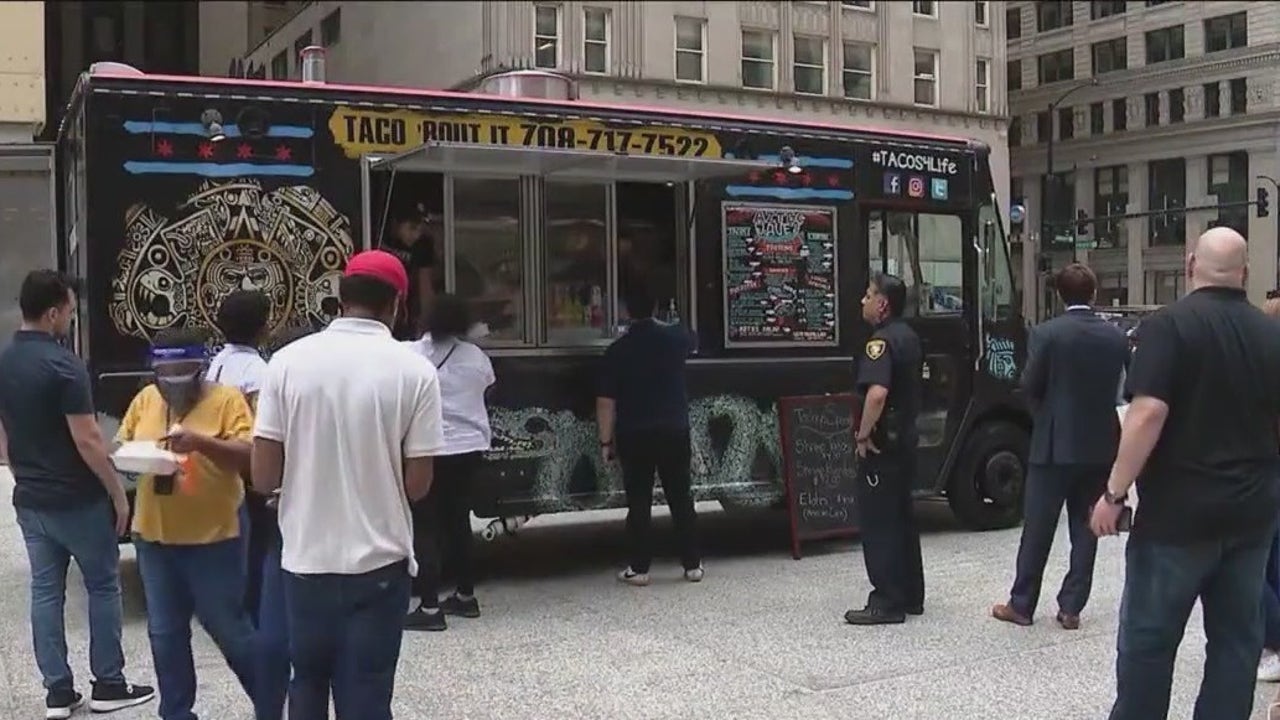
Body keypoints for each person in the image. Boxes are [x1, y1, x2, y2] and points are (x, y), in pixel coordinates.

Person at [1091, 227, 1280, 720]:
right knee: (1237, 642)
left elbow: (1147, 413)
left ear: (1191, 263)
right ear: (1244, 271)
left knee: (1149, 643)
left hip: (1177, 516)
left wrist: (1114, 493)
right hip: (1252, 514)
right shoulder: (1271, 333)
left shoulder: (1168, 326)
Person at [251, 250, 444, 720]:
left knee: (308, 684)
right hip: (379, 565)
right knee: (367, 694)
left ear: (340, 297)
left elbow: (262, 476)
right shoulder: (415, 372)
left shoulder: (286, 363)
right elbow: (418, 485)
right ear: (397, 302)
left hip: (305, 564)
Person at [0, 270, 155, 718]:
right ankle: (109, 683)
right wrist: (119, 494)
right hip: (78, 500)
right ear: (52, 313)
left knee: (45, 592)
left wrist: (20, 469)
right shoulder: (64, 366)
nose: (70, 316)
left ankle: (58, 693)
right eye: (68, 309)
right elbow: (87, 439)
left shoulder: (6, 361)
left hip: (31, 500)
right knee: (103, 586)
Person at [117, 327, 257, 720]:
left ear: (202, 367)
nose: (174, 379)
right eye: (166, 371)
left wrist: (201, 443)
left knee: (229, 630)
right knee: (165, 634)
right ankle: (176, 712)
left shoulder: (227, 400)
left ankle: (272, 700)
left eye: (184, 369)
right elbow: (123, 440)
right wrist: (132, 458)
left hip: (214, 537)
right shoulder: (146, 399)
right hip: (155, 537)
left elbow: (248, 455)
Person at [992, 264, 1128, 630]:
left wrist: (1043, 416)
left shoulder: (1047, 334)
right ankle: (1071, 607)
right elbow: (1127, 390)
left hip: (1053, 444)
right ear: (1094, 293)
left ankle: (1022, 603)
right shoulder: (1115, 337)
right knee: (1087, 528)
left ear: (1059, 295)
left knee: (1038, 528)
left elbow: (1030, 383)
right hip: (1100, 445)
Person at [596, 283, 702, 587]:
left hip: (635, 432)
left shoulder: (617, 350)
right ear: (656, 308)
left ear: (625, 312)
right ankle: (692, 564)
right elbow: (692, 336)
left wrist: (606, 441)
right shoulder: (675, 339)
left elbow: (605, 401)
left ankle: (640, 568)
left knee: (639, 501)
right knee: (681, 497)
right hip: (674, 428)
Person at [403, 293, 496, 631]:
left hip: (429, 448)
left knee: (425, 525)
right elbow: (488, 387)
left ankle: (429, 608)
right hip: (469, 447)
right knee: (459, 521)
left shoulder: (411, 354)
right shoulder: (476, 357)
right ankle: (465, 596)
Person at [845, 272, 925, 626]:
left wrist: (862, 435)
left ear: (883, 304)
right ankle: (911, 594)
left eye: (868, 294)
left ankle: (886, 601)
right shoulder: (908, 336)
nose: (862, 301)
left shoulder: (878, 342)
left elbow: (876, 393)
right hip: (906, 440)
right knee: (903, 518)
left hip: (883, 445)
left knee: (880, 522)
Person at [251, 324, 317, 720]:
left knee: (273, 634)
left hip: (277, 515)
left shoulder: (277, 385)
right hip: (311, 525)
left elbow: (264, 473)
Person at [207, 289, 273, 624]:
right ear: (263, 328)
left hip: (218, 465)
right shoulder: (257, 369)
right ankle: (254, 609)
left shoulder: (217, 363)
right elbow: (261, 424)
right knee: (258, 543)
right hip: (246, 468)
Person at [379, 200, 437, 340]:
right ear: (395, 223)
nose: (416, 235)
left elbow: (425, 284)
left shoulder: (423, 245)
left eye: (420, 230)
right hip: (381, 303)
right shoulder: (379, 234)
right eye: (412, 228)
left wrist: (428, 322)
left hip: (408, 309)